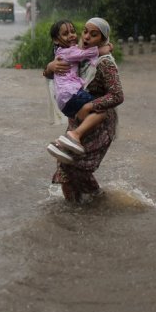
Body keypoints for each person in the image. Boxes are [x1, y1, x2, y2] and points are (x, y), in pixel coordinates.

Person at [43, 17, 124, 203]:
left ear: (103, 39)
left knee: (78, 167)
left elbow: (118, 96)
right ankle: (72, 211)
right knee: (64, 164)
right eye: (85, 32)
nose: (86, 37)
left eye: (93, 35)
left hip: (98, 120)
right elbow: (56, 75)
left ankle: (99, 204)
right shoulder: (80, 53)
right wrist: (49, 68)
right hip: (77, 117)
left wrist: (90, 105)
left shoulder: (105, 63)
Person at [44, 20, 111, 164]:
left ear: (103, 38)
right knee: (101, 111)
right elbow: (83, 54)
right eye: (65, 33)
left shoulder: (68, 50)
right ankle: (75, 135)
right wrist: (102, 50)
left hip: (66, 100)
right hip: (72, 95)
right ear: (56, 39)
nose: (72, 36)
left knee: (79, 126)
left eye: (73, 31)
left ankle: (59, 144)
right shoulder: (73, 51)